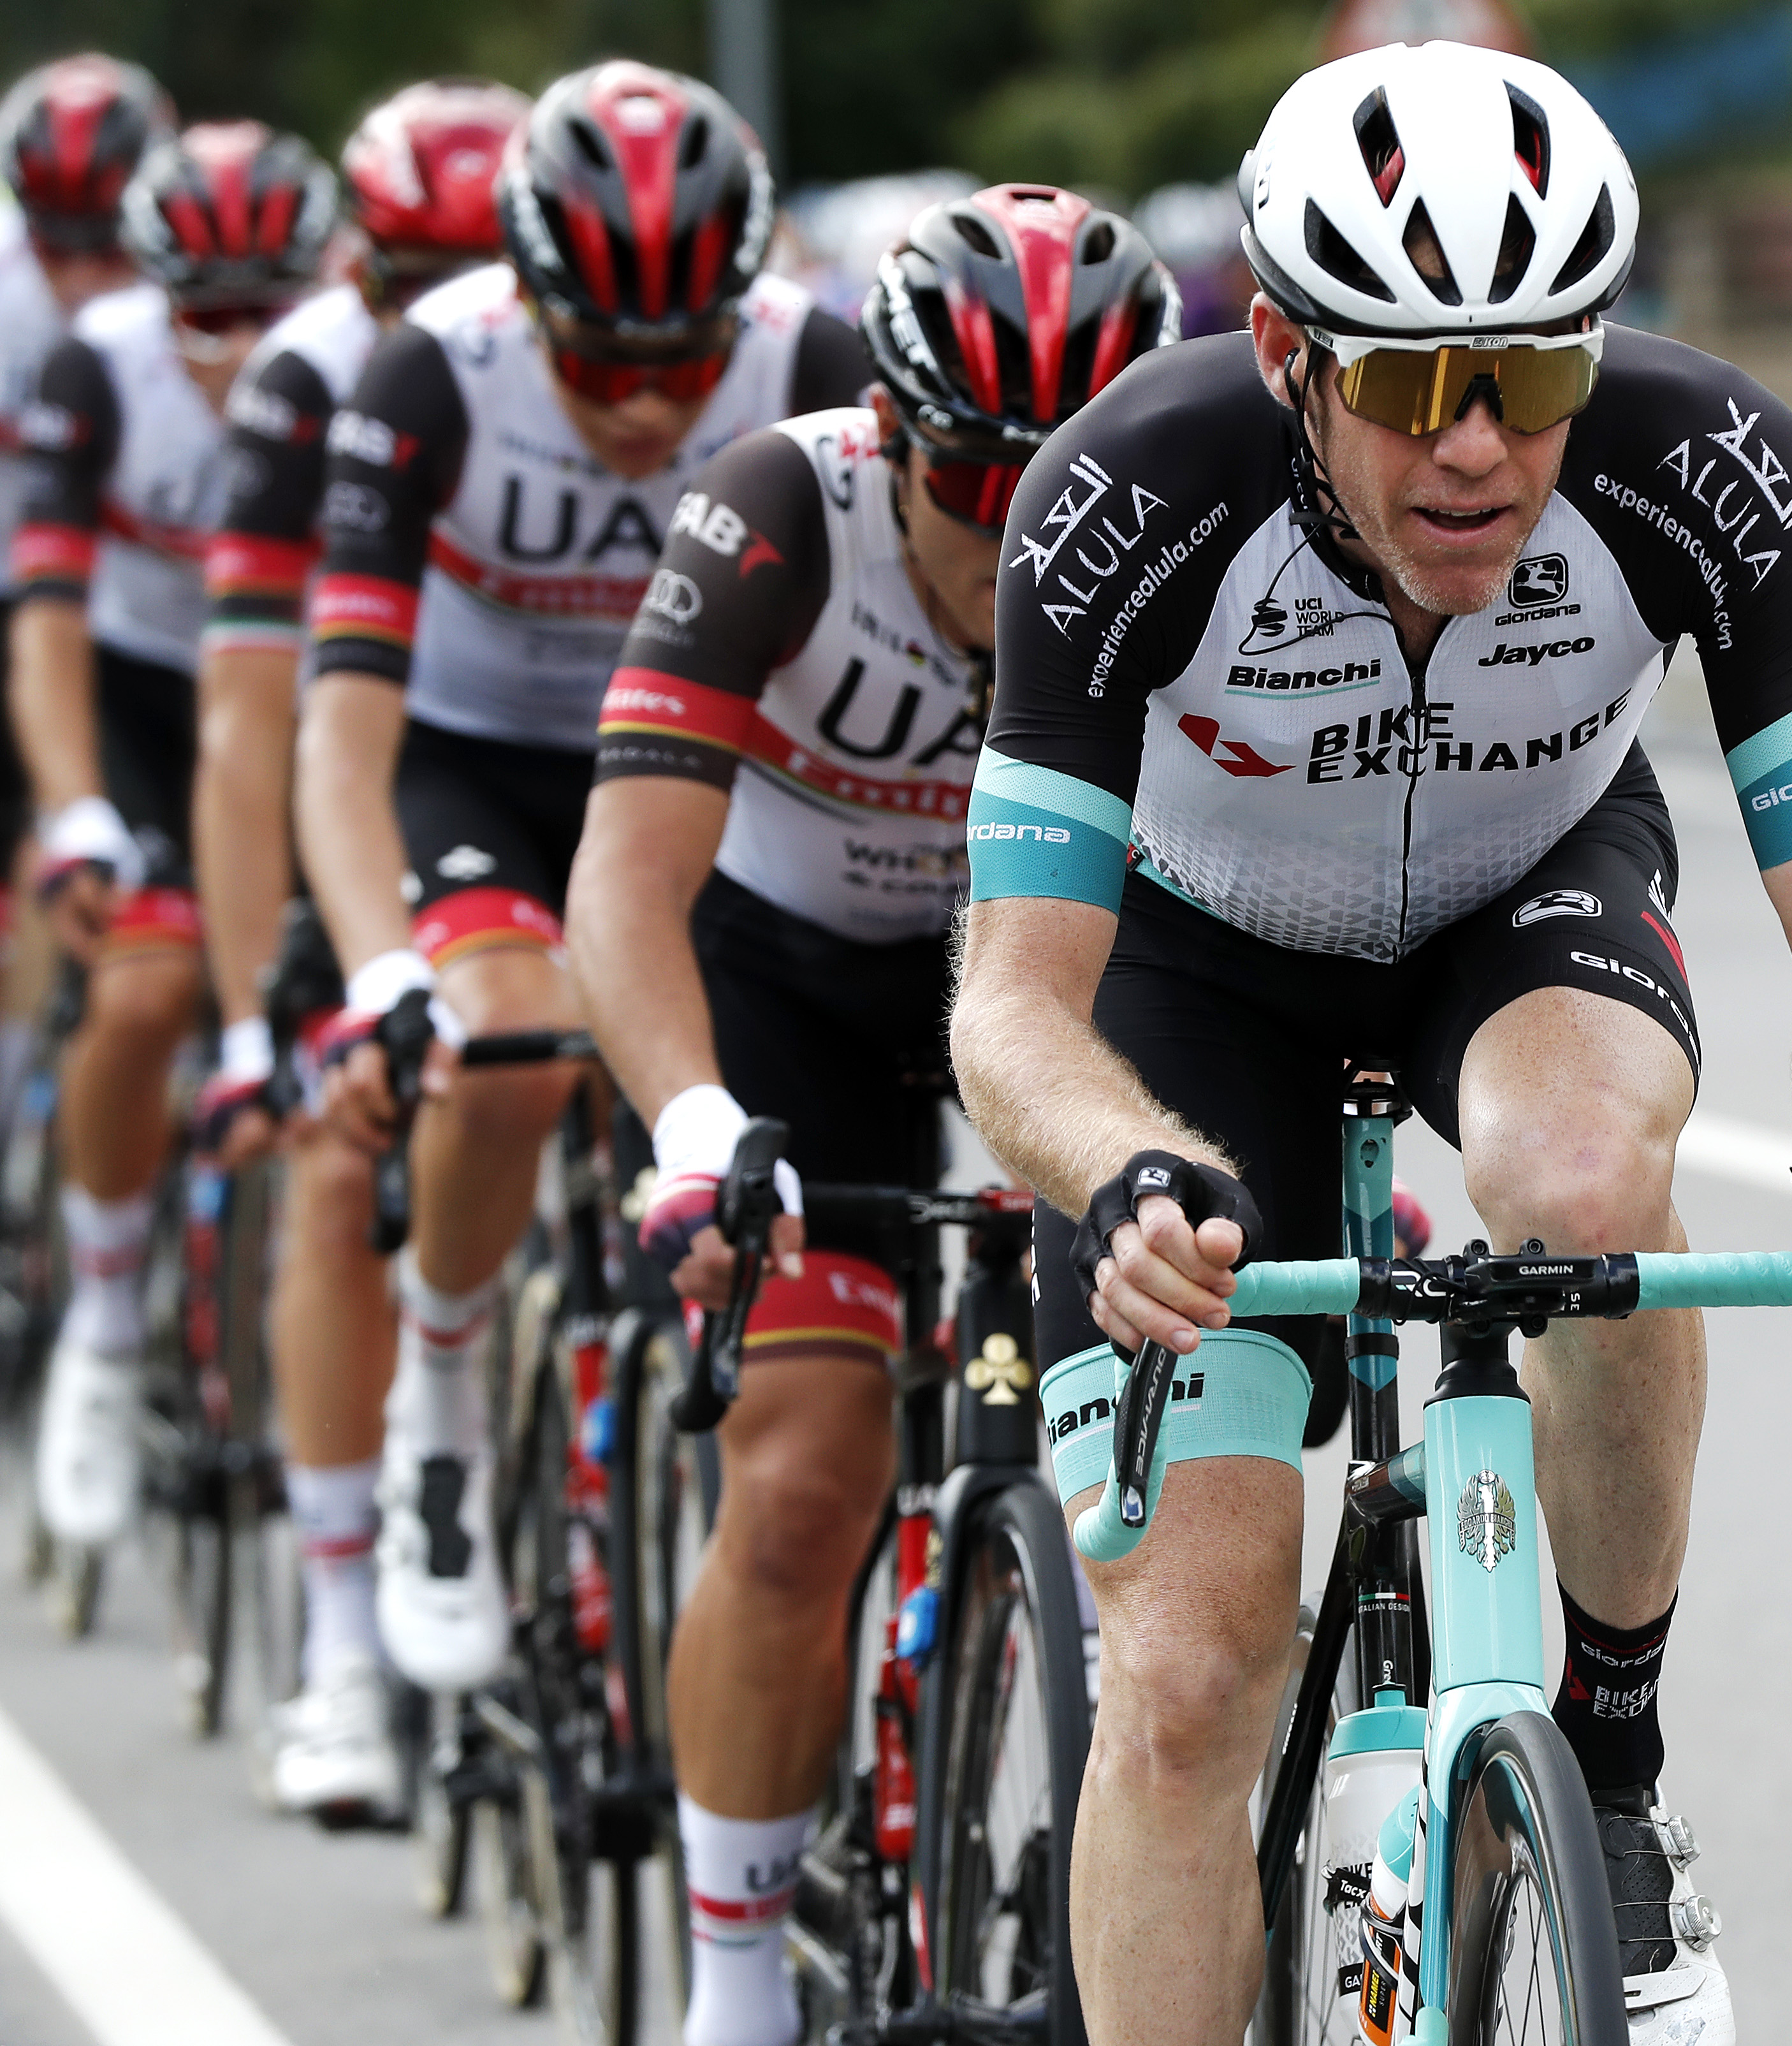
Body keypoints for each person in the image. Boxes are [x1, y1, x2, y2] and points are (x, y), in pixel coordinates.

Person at [949, 42, 1792, 2046]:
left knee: (1592, 1178)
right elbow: (1011, 996)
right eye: (1415, 384)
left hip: (1518, 904)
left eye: (1530, 375)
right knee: (1180, 1681)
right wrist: (1121, 1169)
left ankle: (1606, 1780)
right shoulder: (1123, 495)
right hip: (1194, 964)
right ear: (1281, 349)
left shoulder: (1712, 469)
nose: (1479, 450)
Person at [569, 182, 1176, 2046]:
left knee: (1159, 1504)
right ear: (894, 434)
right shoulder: (778, 505)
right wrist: (686, 1122)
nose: (1020, 543)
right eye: (978, 486)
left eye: (1061, 483)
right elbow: (622, 879)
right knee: (812, 1469)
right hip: (796, 986)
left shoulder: (1193, 528)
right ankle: (735, 1991)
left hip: (1054, 988)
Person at [295, 60, 867, 1695]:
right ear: (525, 300)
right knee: (508, 1041)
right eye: (601, 357)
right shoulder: (432, 370)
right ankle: (447, 1392)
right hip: (478, 756)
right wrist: (377, 970)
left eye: (680, 358)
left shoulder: (807, 355)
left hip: (702, 775)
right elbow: (338, 731)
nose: (640, 404)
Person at [194, 76, 531, 1821]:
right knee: (347, 1151)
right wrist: (277, 1006)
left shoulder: (666, 355)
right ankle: (340, 1644)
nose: (456, 305)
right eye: (412, 268)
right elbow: (262, 727)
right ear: (356, 264)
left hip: (646, 773)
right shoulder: (320, 380)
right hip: (408, 768)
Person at [11, 119, 333, 1558]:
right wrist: (76, 805)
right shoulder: (100, 366)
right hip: (144, 700)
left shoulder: (352, 370)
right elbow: (48, 614)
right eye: (207, 314)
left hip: (307, 702)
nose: (239, 343)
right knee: (143, 988)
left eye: (267, 307)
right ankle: (98, 1306)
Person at [0, 55, 173, 1168]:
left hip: (112, 615)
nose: (80, 273)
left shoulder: (184, 301)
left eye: (104, 242)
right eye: (54, 243)